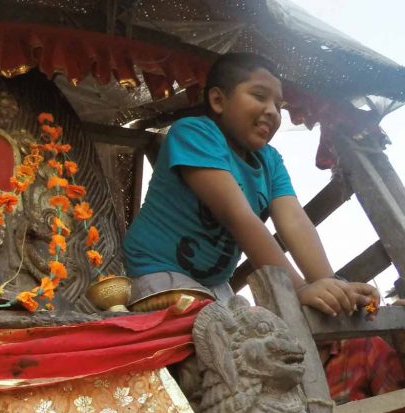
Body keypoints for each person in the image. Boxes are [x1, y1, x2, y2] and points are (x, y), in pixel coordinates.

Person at [123, 52, 378, 315]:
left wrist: (331, 284)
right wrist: (298, 289)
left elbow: (295, 222)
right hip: (157, 270)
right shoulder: (193, 134)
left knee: (245, 337)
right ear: (218, 100)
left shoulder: (271, 161)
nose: (272, 111)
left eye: (279, 105)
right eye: (259, 96)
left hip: (214, 283)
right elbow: (237, 216)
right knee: (223, 340)